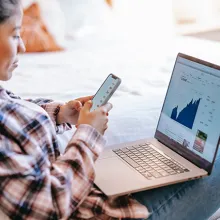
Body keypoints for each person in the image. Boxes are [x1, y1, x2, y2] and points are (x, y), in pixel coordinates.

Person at [1, 1, 220, 220]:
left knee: (179, 162)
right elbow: (48, 206)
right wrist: (89, 132)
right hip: (103, 212)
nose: (22, 47)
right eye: (15, 35)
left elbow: (18, 114)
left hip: (91, 192)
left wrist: (60, 113)